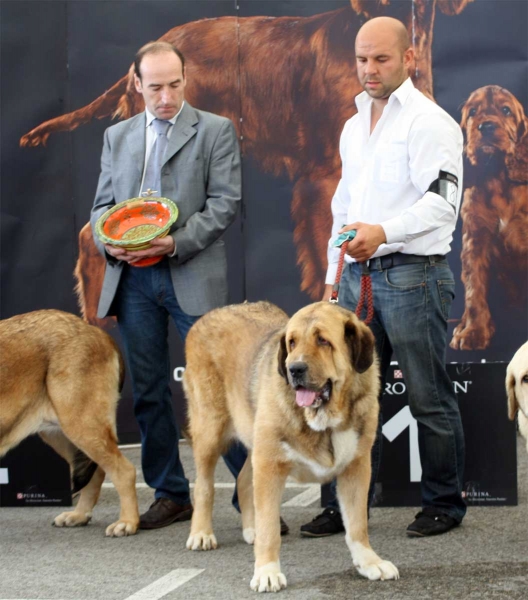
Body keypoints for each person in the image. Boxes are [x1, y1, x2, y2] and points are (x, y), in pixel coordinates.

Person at [300, 16, 466, 538]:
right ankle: (341, 505)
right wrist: (332, 277)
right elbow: (342, 204)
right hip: (354, 281)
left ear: (409, 58)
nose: (369, 70)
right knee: (341, 396)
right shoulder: (353, 126)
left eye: (381, 59)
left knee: (427, 397)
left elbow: (443, 206)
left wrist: (384, 231)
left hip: (416, 279)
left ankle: (443, 503)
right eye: (361, 60)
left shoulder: (430, 122)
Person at [90, 41, 249, 529]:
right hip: (132, 280)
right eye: (155, 86)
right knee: (149, 391)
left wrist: (172, 244)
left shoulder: (216, 130)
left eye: (175, 84)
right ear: (136, 84)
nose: (166, 97)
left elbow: (224, 204)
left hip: (190, 270)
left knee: (225, 390)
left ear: (186, 79)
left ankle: (252, 497)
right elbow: (101, 210)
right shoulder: (116, 137)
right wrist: (107, 243)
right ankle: (170, 493)